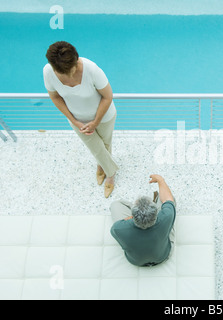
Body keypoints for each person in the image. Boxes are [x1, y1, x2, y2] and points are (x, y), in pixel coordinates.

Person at [43, 41, 118, 198]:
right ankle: (110, 173)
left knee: (105, 144)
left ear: (76, 62)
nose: (65, 76)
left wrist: (96, 122)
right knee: (96, 147)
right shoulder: (48, 72)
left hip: (104, 117)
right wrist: (75, 121)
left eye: (68, 71)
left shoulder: (92, 70)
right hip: (78, 120)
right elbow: (55, 97)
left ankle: (102, 165)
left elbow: (107, 96)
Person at [110, 174, 176, 267]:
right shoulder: (166, 216)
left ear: (132, 216)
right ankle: (153, 202)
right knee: (170, 202)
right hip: (163, 256)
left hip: (136, 261)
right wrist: (160, 180)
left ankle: (136, 208)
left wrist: (132, 217)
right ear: (156, 213)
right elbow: (168, 200)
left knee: (115, 204)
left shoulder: (118, 228)